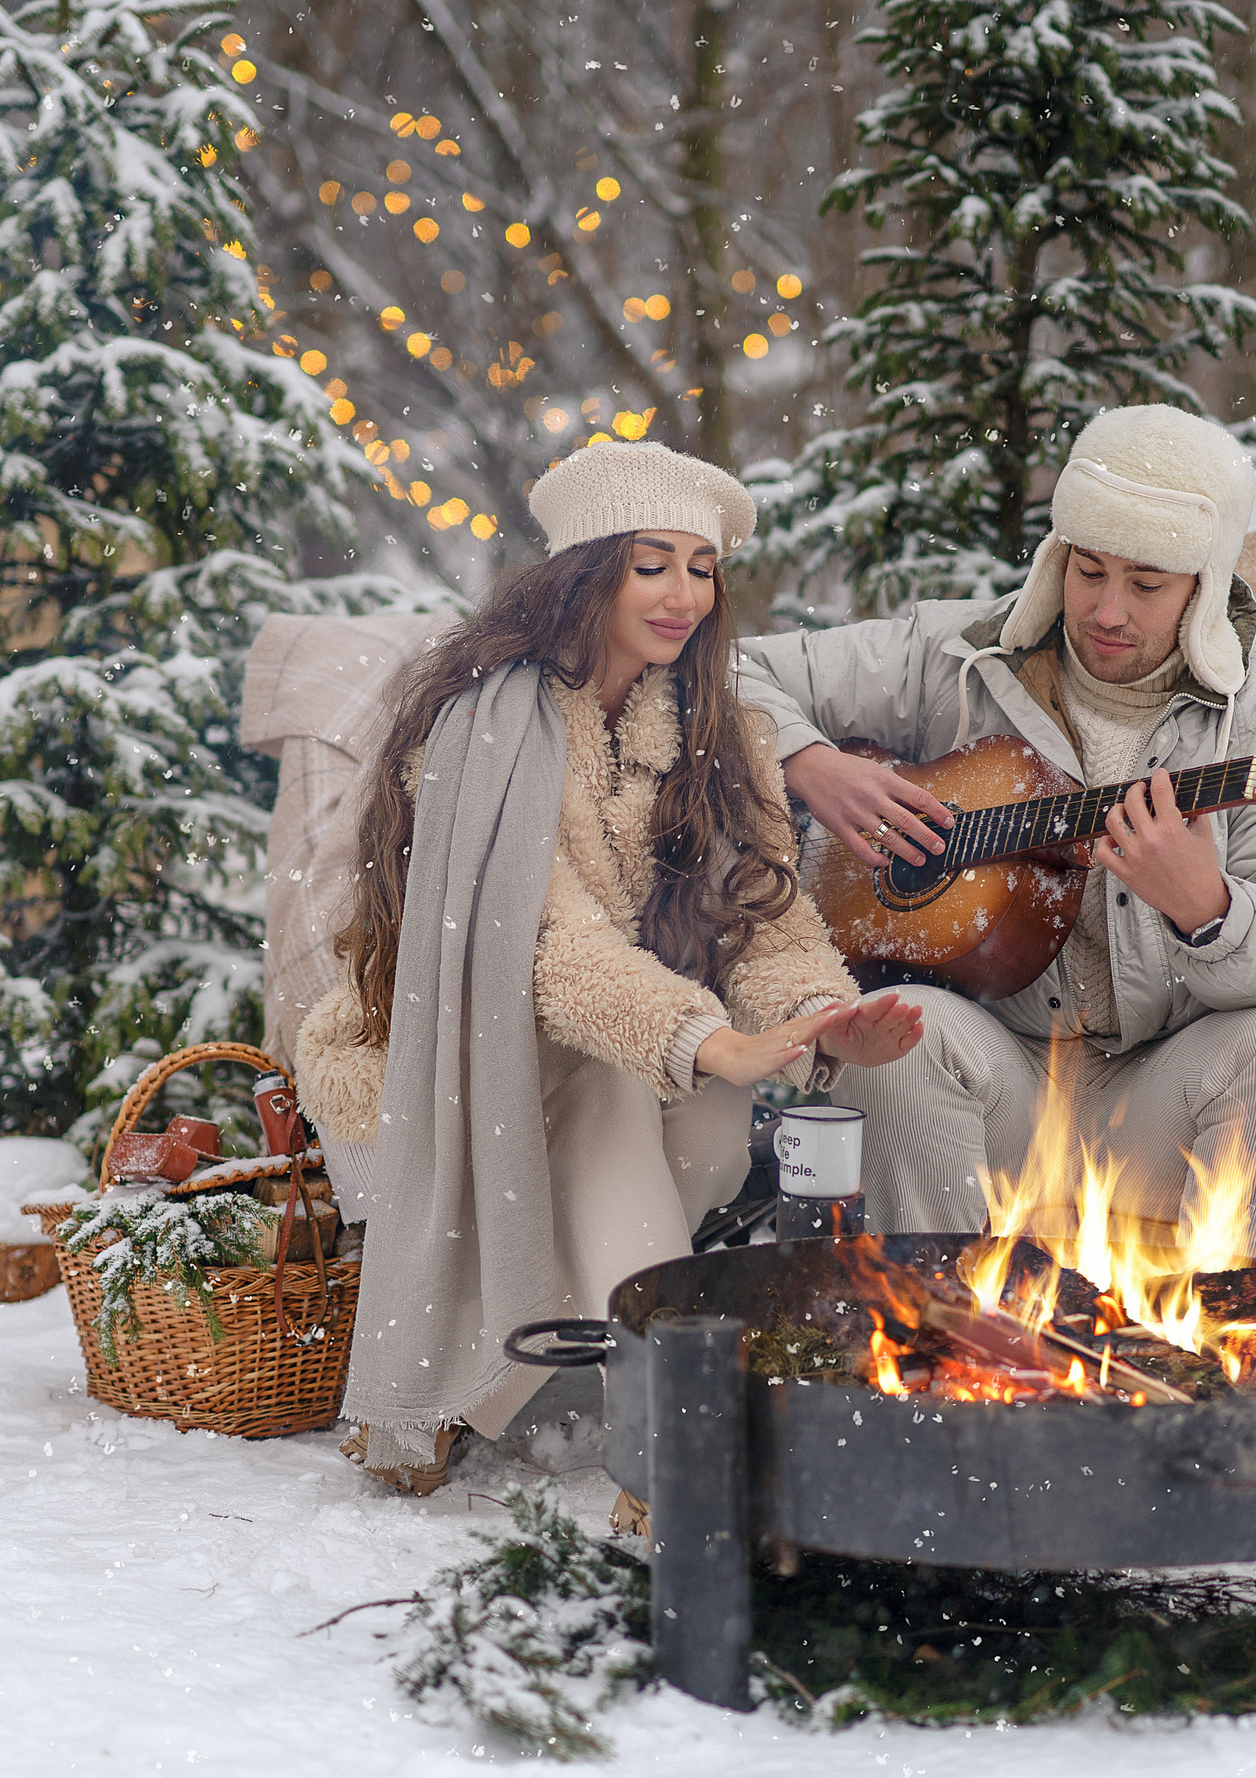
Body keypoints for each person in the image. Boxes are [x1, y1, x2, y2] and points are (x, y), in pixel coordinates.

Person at [297, 441, 923, 1496]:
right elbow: (551, 951)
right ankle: (680, 1439)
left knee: (713, 1119)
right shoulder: (483, 728)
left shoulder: (721, 730)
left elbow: (768, 927)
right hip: (443, 1052)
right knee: (616, 1089)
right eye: (651, 564)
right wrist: (704, 1038)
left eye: (701, 567)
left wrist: (824, 1017)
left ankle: (479, 1386)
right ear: (585, 572)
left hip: (627, 1035)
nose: (684, 595)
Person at [735, 404, 1256, 1262]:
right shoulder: (958, 658)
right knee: (902, 1035)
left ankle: (1227, 1334)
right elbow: (728, 668)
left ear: (1204, 584)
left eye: (1147, 584)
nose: (1108, 610)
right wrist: (809, 759)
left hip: (1166, 1098)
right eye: (1088, 570)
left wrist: (1212, 911)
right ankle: (933, 1320)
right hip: (999, 1079)